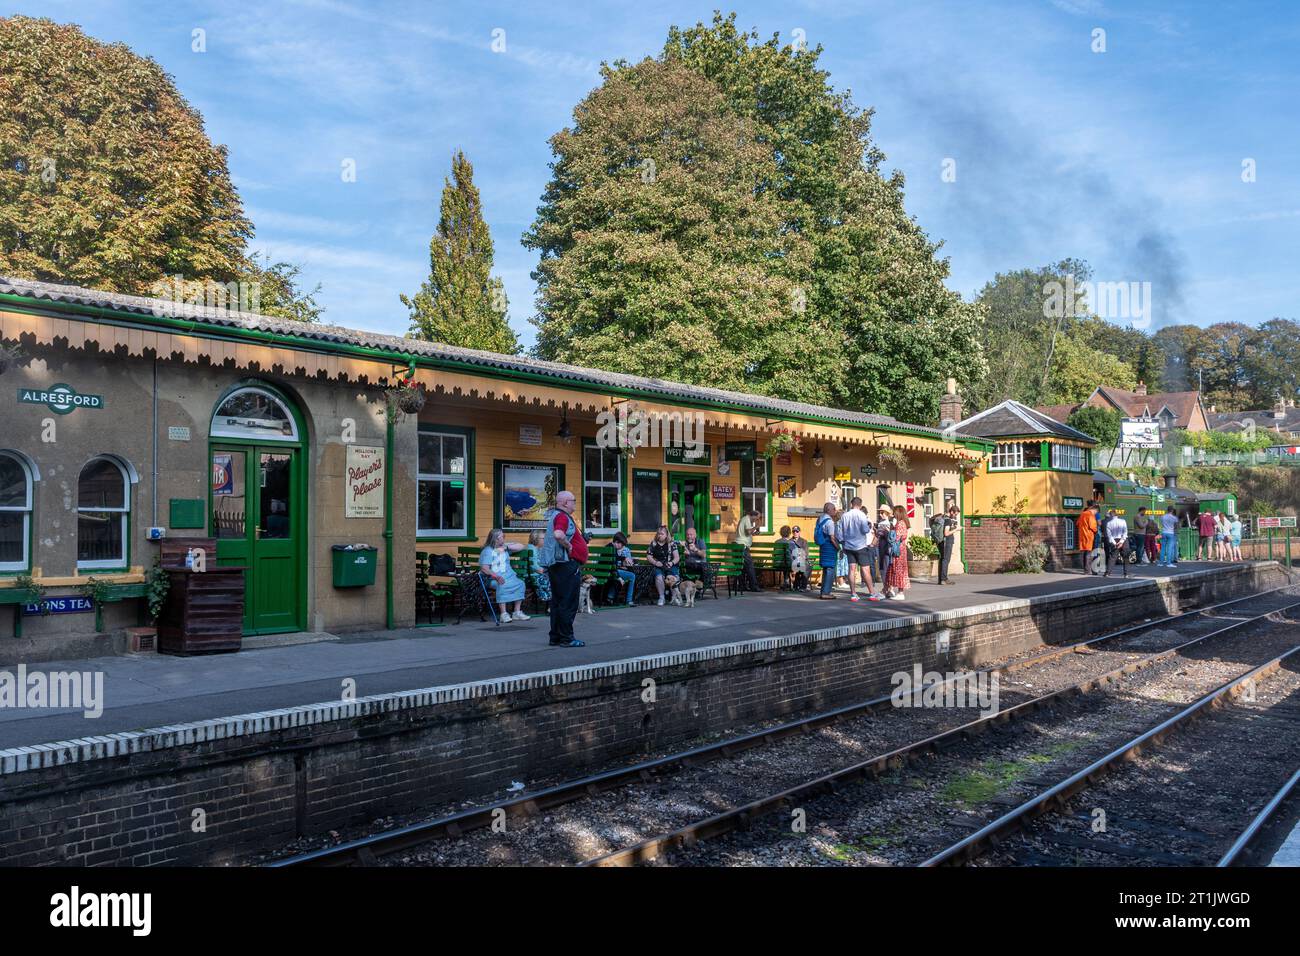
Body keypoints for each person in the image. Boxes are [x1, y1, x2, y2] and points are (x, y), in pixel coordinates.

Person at [539, 489, 586, 647]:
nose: (575, 503)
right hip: (566, 565)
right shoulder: (561, 516)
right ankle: (567, 638)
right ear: (565, 503)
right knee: (568, 601)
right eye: (573, 500)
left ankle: (556, 637)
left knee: (558, 601)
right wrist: (570, 546)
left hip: (557, 565)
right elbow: (559, 535)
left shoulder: (556, 516)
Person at [479, 528, 529, 622]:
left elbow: (521, 546)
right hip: (493, 578)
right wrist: (496, 576)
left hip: (509, 576)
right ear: (496, 539)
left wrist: (507, 547)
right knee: (502, 584)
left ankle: (516, 612)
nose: (504, 538)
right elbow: (484, 568)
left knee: (520, 583)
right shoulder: (488, 551)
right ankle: (503, 614)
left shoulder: (503, 548)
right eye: (502, 537)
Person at [838, 496, 882, 602]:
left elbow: (841, 531)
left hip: (849, 546)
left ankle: (853, 594)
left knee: (851, 569)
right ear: (860, 505)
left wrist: (843, 542)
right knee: (865, 570)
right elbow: (865, 530)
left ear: (851, 504)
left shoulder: (845, 516)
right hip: (860, 546)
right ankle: (872, 593)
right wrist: (868, 526)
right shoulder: (862, 515)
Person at [647, 524, 681, 606]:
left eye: (662, 534)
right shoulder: (654, 543)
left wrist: (672, 562)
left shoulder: (671, 544)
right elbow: (649, 556)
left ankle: (674, 597)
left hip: (670, 565)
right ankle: (662, 597)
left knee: (674, 577)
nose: (660, 535)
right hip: (659, 565)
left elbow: (677, 557)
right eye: (658, 533)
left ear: (666, 535)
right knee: (659, 577)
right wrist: (655, 563)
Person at [884, 505, 911, 600]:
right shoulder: (903, 523)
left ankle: (900, 592)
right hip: (901, 549)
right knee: (896, 569)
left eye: (894, 513)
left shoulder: (900, 524)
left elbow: (895, 537)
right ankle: (891, 589)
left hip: (898, 550)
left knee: (898, 570)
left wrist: (889, 531)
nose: (893, 515)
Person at [814, 502, 839, 599]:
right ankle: (826, 593)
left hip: (823, 546)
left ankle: (823, 591)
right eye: (834, 509)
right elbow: (832, 538)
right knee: (830, 569)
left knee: (825, 569)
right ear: (829, 510)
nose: (835, 511)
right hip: (829, 547)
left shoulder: (820, 519)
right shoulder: (829, 522)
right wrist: (838, 547)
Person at [736, 508, 761, 592]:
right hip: (743, 547)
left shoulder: (745, 519)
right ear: (752, 515)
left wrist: (754, 532)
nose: (757, 520)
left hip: (739, 546)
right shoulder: (747, 519)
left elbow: (747, 533)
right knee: (750, 567)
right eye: (757, 518)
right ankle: (754, 587)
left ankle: (742, 586)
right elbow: (748, 532)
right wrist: (756, 526)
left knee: (742, 567)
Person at [525, 529, 552, 607]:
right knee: (554, 580)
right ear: (535, 539)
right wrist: (548, 572)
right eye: (543, 538)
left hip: (535, 575)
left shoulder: (538, 548)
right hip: (531, 577)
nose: (545, 540)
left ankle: (551, 604)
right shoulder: (531, 549)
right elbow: (535, 567)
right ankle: (551, 605)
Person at [1104, 509, 1129, 577]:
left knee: (1112, 557)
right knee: (1125, 557)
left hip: (1114, 540)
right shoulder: (1123, 521)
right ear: (1117, 514)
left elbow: (1109, 535)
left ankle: (1107, 573)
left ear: (1111, 515)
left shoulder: (1108, 523)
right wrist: (1121, 542)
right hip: (1123, 540)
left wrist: (1115, 543)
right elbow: (1125, 532)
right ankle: (1126, 574)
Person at [937, 505, 959, 584]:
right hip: (947, 541)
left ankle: (941, 579)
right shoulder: (948, 520)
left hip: (941, 541)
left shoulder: (943, 517)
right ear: (951, 512)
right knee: (946, 560)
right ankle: (944, 579)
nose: (955, 516)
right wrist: (956, 529)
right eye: (955, 514)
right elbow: (946, 533)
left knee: (942, 559)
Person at [1076, 503, 1098, 575]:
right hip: (1089, 536)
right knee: (1088, 553)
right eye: (1096, 512)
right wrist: (1096, 530)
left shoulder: (1082, 514)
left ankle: (1085, 570)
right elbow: (1093, 527)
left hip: (1081, 536)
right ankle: (1087, 570)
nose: (1095, 513)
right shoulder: (1090, 515)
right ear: (1094, 510)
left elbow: (1077, 523)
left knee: (1084, 552)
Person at [876, 505, 895, 585]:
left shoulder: (890, 524)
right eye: (880, 512)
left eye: (882, 512)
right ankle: (885, 586)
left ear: (887, 513)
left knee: (887, 567)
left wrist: (887, 533)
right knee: (882, 568)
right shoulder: (880, 523)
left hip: (887, 548)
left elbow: (892, 538)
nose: (880, 514)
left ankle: (889, 587)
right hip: (880, 547)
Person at [788, 525, 809, 590]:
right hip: (793, 561)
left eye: (797, 531)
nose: (795, 533)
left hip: (801, 560)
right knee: (804, 567)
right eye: (794, 531)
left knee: (807, 566)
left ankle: (800, 586)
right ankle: (801, 586)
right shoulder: (789, 542)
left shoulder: (803, 541)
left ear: (799, 532)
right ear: (792, 532)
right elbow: (789, 554)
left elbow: (806, 553)